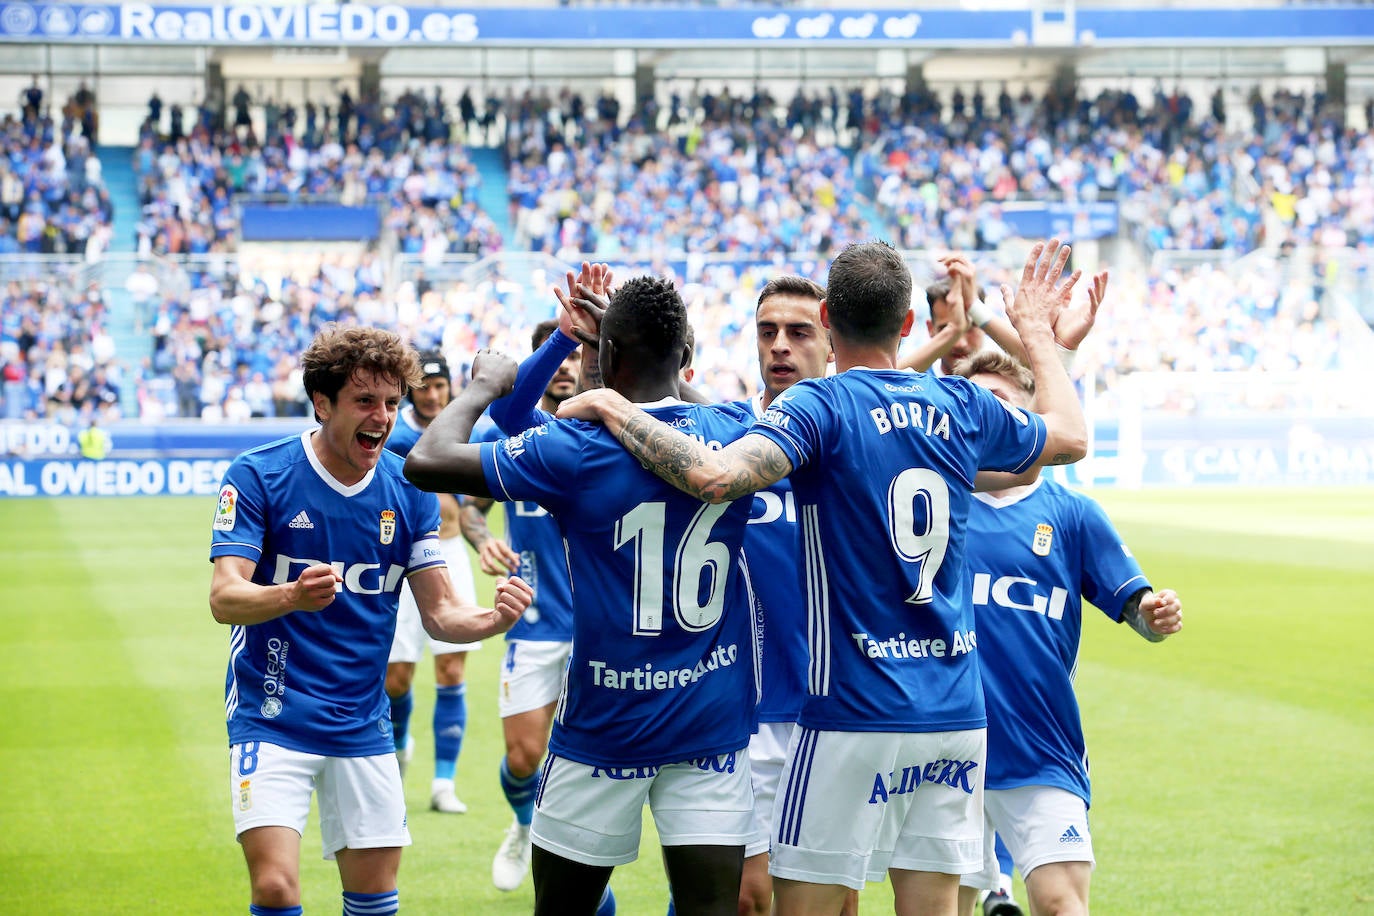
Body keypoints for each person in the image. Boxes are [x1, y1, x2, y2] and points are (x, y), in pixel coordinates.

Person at [556, 239, 1095, 916]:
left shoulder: (820, 409)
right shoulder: (959, 406)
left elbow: (716, 475)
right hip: (955, 713)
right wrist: (1041, 339)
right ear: (906, 322)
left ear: (828, 318)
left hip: (853, 709)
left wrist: (613, 403)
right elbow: (1069, 438)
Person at [405, 276, 759, 916]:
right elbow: (684, 404)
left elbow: (428, 459)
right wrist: (625, 356)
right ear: (683, 356)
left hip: (605, 728)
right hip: (710, 722)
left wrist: (486, 383)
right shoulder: (735, 428)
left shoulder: (576, 448)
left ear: (608, 355)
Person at [207, 324, 532, 916]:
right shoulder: (259, 475)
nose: (382, 417)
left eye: (390, 402)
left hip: (361, 722)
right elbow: (224, 596)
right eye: (365, 402)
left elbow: (439, 613)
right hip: (272, 712)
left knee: (375, 899)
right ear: (322, 403)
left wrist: (490, 618)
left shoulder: (408, 492)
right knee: (276, 888)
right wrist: (289, 596)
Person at [951, 350, 1183, 916]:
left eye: (1003, 401)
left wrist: (1153, 616)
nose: (989, 413)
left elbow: (1138, 611)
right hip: (945, 744)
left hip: (1041, 745)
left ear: (1034, 417)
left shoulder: (1073, 513)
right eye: (976, 402)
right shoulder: (935, 504)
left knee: (1061, 904)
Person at [456, 319, 581, 892]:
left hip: (598, 628)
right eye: (553, 358)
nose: (564, 367)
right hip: (530, 618)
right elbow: (471, 509)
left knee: (588, 765)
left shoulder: (605, 431)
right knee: (524, 756)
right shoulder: (512, 442)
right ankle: (525, 825)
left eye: (575, 355)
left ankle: (575, 868)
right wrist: (484, 541)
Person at [381, 350, 482, 815]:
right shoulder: (393, 434)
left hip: (452, 554)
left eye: (440, 387)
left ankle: (444, 782)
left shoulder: (465, 429)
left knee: (451, 670)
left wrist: (479, 532)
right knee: (397, 678)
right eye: (424, 386)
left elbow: (480, 495)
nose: (433, 395)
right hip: (403, 561)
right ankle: (400, 747)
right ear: (410, 388)